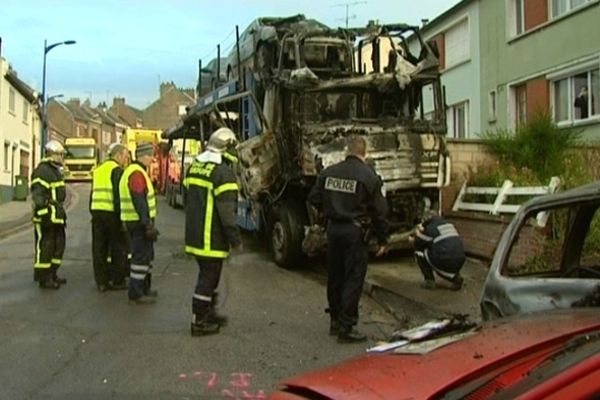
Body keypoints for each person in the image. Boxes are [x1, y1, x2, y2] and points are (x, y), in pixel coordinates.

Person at [308, 135, 388, 343]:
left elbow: (314, 197)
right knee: (353, 277)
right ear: (365, 153)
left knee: (335, 275)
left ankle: (335, 320)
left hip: (333, 230)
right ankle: (347, 326)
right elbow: (380, 212)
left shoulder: (329, 172)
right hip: (355, 233)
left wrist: (327, 211)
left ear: (346, 151)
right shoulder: (369, 176)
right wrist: (383, 240)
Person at [184, 127, 243, 336]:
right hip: (211, 237)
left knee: (209, 274)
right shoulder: (223, 173)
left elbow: (186, 197)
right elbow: (227, 213)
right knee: (208, 277)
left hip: (195, 234)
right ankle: (199, 321)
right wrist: (235, 240)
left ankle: (209, 313)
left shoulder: (195, 167)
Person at [119, 142, 159, 304]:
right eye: (150, 156)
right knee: (140, 257)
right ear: (144, 156)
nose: (152, 160)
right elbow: (139, 199)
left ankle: (144, 288)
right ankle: (136, 293)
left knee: (145, 256)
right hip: (138, 223)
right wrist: (147, 223)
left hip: (134, 221)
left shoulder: (133, 171)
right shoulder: (136, 174)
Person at [90, 143, 130, 292]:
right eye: (125, 156)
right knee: (117, 247)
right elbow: (118, 196)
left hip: (97, 212)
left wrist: (92, 211)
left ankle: (101, 281)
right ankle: (117, 280)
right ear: (118, 155)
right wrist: (122, 218)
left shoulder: (98, 170)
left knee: (99, 248)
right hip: (112, 213)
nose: (126, 160)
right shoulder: (117, 171)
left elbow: (92, 193)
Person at [31, 140, 68, 289]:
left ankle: (52, 274)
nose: (61, 158)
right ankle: (44, 277)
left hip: (56, 217)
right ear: (52, 154)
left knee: (58, 246)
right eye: (59, 155)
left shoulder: (54, 170)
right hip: (46, 217)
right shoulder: (43, 171)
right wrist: (44, 214)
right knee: (45, 247)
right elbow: (38, 195)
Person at [411, 210, 465, 291]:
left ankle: (429, 281)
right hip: (460, 259)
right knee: (446, 263)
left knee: (419, 253)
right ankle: (455, 277)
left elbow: (418, 244)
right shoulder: (448, 224)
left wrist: (416, 236)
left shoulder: (430, 228)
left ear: (426, 219)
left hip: (444, 259)